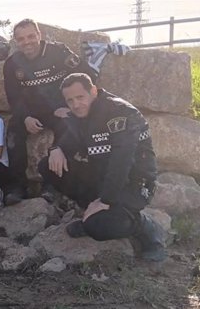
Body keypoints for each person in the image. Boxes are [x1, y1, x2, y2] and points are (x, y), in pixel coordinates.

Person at [38, 73, 166, 262]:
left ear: (93, 91)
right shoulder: (80, 114)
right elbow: (69, 140)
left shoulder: (119, 111)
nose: (75, 104)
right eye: (70, 100)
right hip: (103, 176)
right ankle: (93, 213)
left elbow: (122, 161)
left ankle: (144, 226)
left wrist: (105, 200)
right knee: (48, 166)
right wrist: (56, 149)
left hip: (133, 182)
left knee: (99, 228)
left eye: (80, 97)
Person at [3, 18, 97, 204]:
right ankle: (17, 186)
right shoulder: (12, 64)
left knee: (70, 126)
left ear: (39, 35)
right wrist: (25, 117)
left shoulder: (59, 52)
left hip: (59, 110)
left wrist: (70, 104)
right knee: (13, 132)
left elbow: (87, 76)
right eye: (21, 39)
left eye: (31, 36)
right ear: (16, 41)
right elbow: (13, 97)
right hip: (32, 113)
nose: (27, 42)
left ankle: (52, 185)